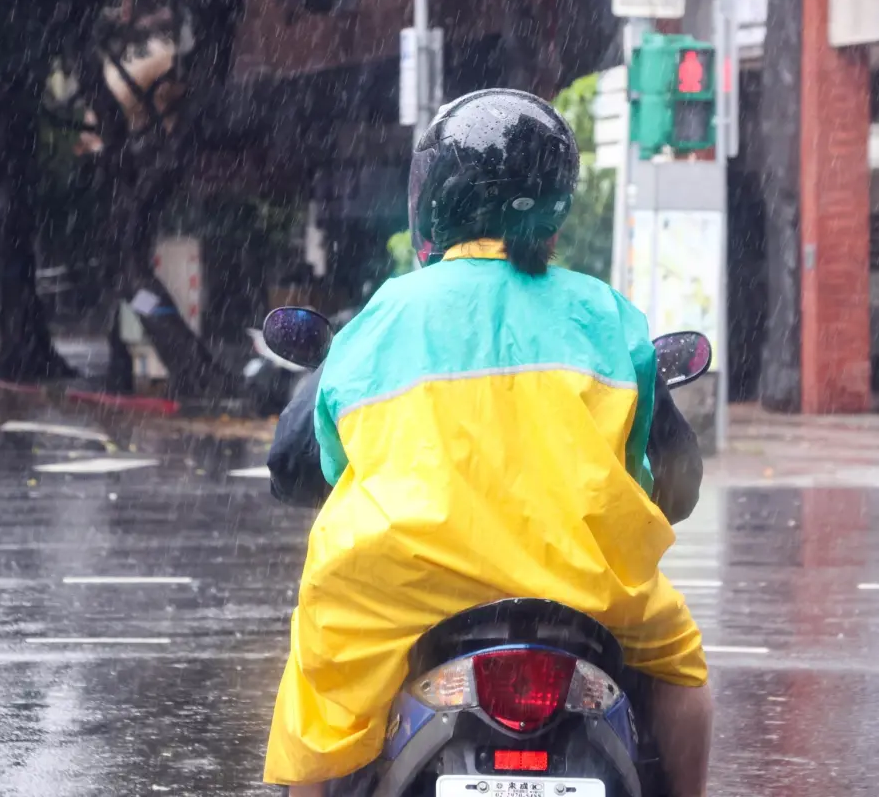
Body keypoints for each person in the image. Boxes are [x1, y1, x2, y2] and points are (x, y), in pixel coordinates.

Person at [264, 89, 711, 797]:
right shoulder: (605, 315)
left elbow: (316, 461)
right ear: (555, 206)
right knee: (681, 668)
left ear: (432, 202)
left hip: (399, 598)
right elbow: (671, 474)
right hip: (587, 598)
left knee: (323, 702)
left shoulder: (382, 319)